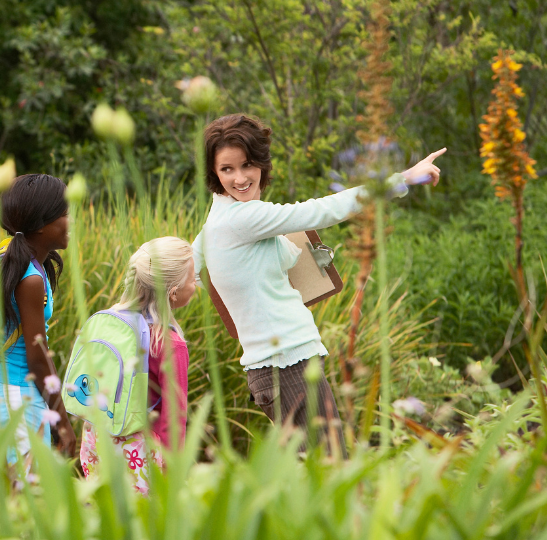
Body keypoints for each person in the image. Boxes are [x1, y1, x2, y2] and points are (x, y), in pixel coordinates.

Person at [191, 113, 444, 453]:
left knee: (318, 479)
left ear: (262, 163)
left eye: (248, 164)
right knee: (331, 472)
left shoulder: (219, 217)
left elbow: (187, 267)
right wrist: (404, 178)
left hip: (280, 366)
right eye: (227, 169)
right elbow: (322, 210)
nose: (239, 178)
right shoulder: (242, 218)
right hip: (287, 366)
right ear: (214, 173)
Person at [0, 173, 79, 463]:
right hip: (13, 398)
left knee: (11, 498)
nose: (72, 220)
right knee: (28, 500)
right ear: (42, 225)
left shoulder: (2, 261)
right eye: (66, 213)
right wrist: (63, 424)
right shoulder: (29, 279)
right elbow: (38, 359)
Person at [77, 237, 195, 497]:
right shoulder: (169, 343)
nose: (196, 285)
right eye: (193, 278)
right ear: (173, 292)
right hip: (140, 453)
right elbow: (174, 416)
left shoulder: (111, 324)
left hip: (98, 440)